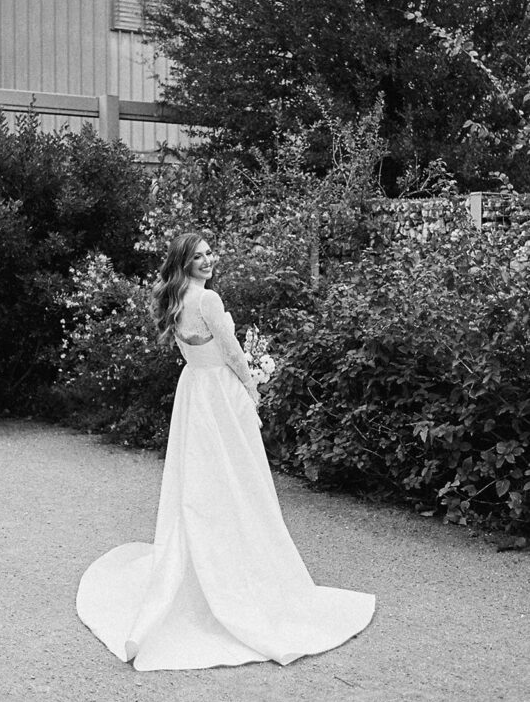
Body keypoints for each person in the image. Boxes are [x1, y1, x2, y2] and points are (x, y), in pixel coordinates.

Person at [76, 232, 375, 671]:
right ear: (184, 262)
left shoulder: (176, 300)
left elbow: (194, 351)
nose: (207, 261)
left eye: (209, 254)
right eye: (197, 256)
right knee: (239, 477)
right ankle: (235, 563)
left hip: (193, 392)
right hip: (218, 391)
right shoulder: (208, 300)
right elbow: (232, 352)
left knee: (200, 477)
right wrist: (252, 384)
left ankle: (205, 554)